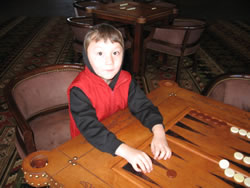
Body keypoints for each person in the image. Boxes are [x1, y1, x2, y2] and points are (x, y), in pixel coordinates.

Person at [67, 23, 171, 173]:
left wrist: (159, 133)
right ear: (86, 56)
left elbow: (143, 106)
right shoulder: (79, 90)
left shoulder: (126, 79)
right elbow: (91, 129)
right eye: (100, 53)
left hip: (118, 130)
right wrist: (127, 151)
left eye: (115, 53)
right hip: (86, 143)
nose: (109, 61)